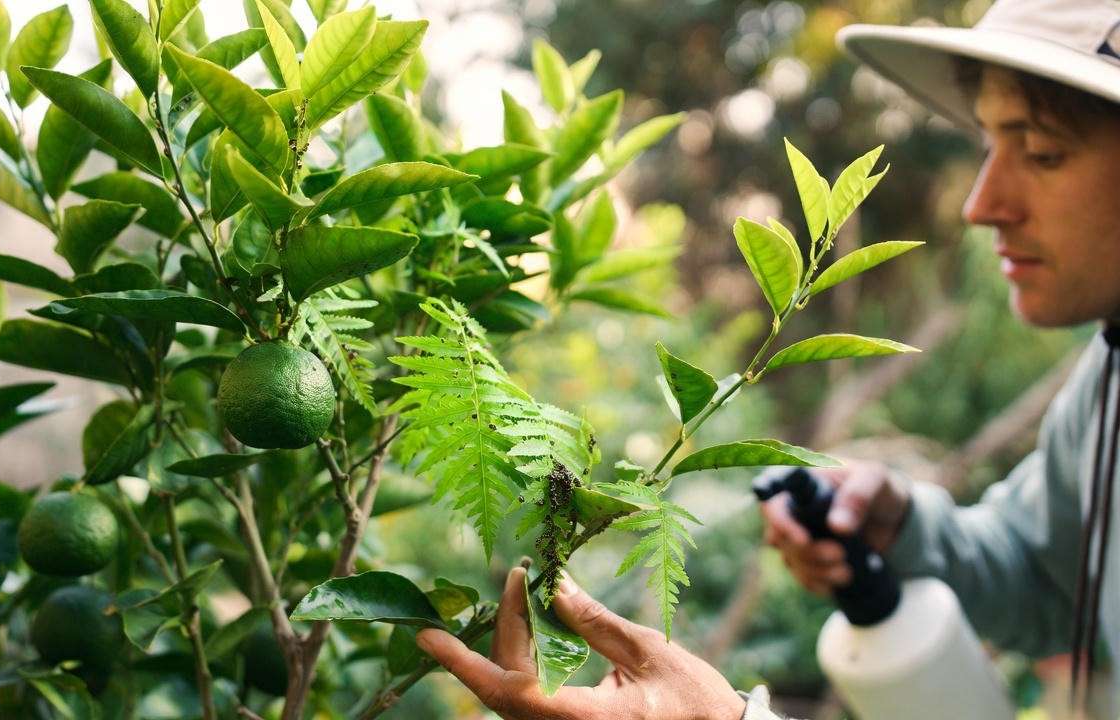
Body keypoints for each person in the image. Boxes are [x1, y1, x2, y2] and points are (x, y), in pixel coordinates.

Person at [416, 0, 1120, 717]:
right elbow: (1053, 577)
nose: (981, 203)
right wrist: (905, 528)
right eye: (987, 145)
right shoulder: (1109, 376)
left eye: (1042, 152)